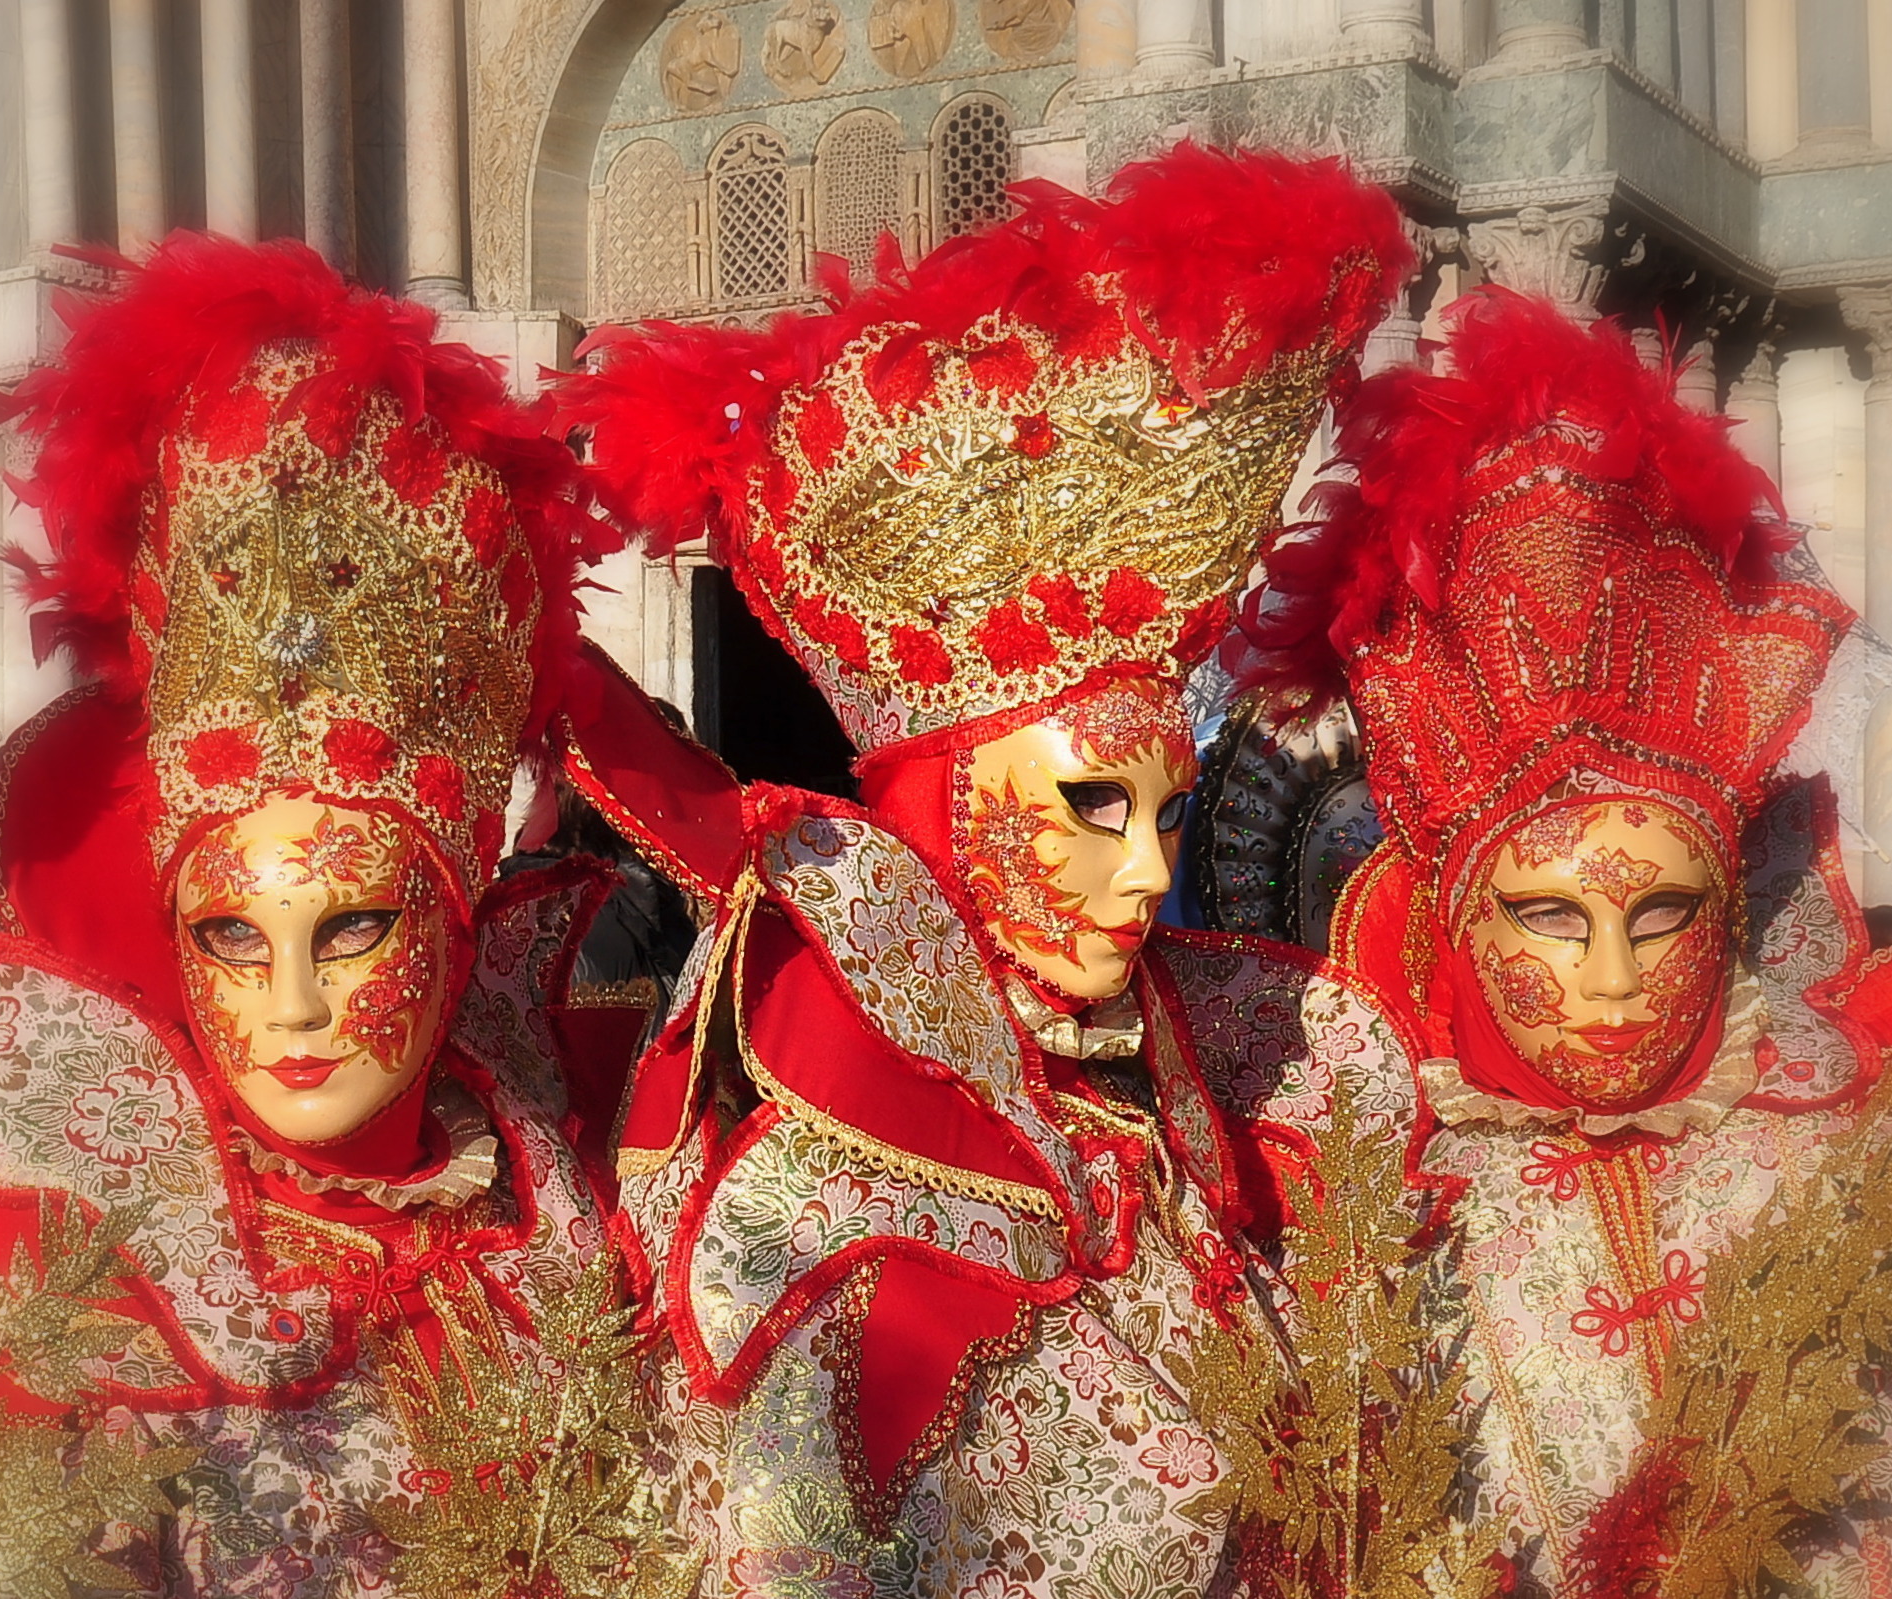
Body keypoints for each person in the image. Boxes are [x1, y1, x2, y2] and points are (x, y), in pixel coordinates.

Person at [551, 143, 1422, 1596]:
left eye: (1165, 810)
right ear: (946, 818)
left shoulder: (1179, 1116)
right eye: (1086, 806)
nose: (1145, 873)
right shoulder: (805, 1219)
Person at [0, 237, 677, 1598]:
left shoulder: (569, 1205)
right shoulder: (42, 1285)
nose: (291, 1009)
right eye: (234, 939)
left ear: (457, 927)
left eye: (354, 929)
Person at [1228, 287, 1892, 1593]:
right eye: (1548, 914)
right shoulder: (1360, 1245)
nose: (1609, 982)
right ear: (1458, 915)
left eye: (1658, 916)